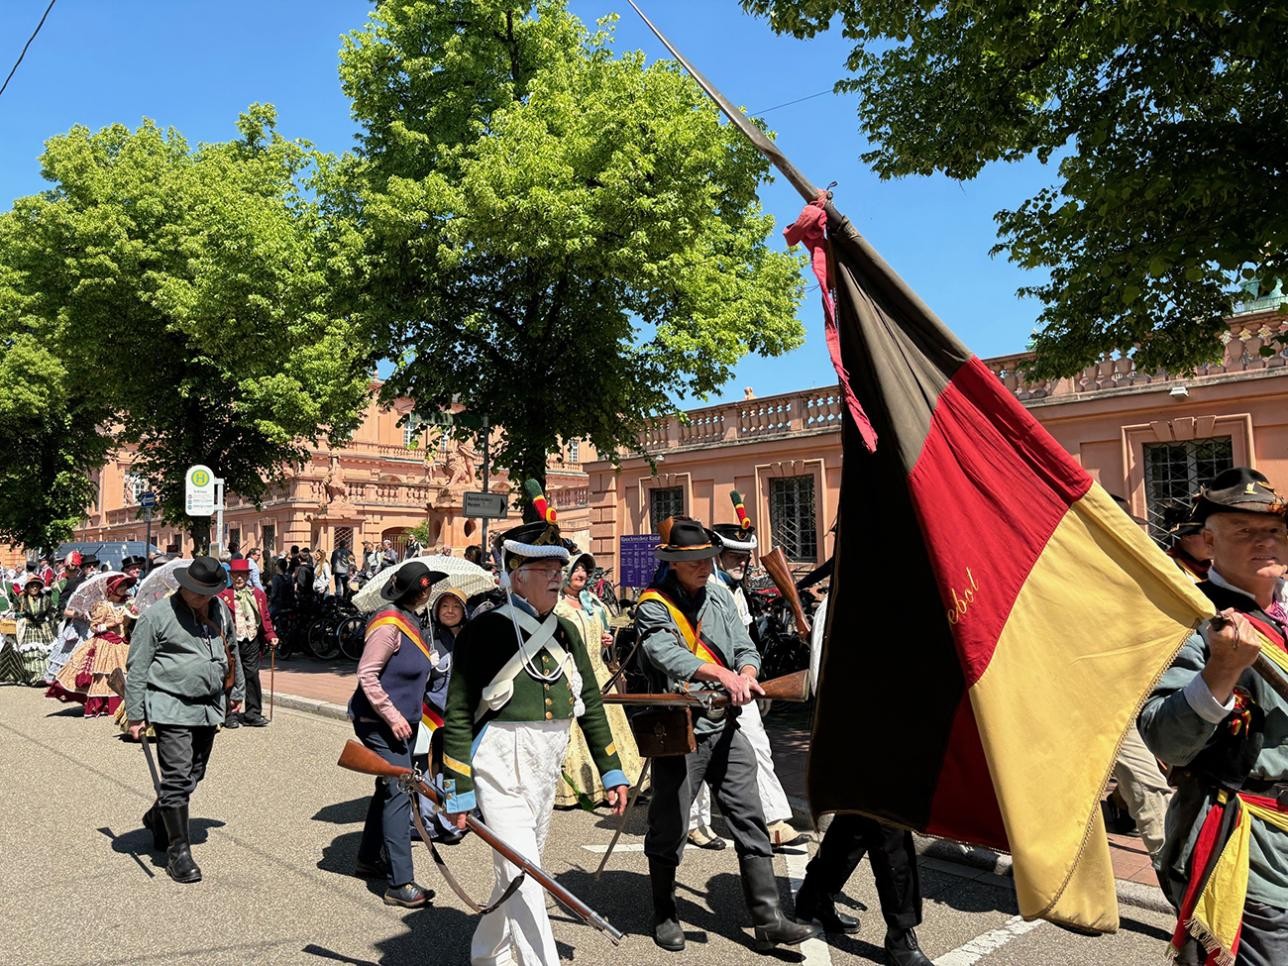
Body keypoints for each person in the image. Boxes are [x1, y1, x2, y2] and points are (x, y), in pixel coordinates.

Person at [442, 516, 630, 965]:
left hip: (547, 763)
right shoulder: (484, 630)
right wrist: (458, 789)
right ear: (517, 576)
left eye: (557, 568)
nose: (556, 577)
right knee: (528, 874)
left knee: (517, 869)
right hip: (499, 763)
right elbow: (458, 713)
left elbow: (589, 700)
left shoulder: (565, 631)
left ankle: (488, 955)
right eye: (544, 570)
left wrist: (611, 769)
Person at [635, 516, 819, 953]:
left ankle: (768, 917)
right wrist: (720, 673)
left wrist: (749, 674)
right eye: (696, 560)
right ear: (674, 563)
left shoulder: (718, 596)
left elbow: (744, 645)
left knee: (750, 817)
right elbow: (664, 651)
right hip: (682, 729)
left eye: (708, 557)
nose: (706, 565)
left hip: (727, 725)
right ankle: (664, 913)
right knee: (671, 825)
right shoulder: (652, 604)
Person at [1138, 467, 1288, 965]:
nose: (1264, 541)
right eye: (1243, 530)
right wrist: (1221, 671)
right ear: (1209, 541)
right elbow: (1164, 740)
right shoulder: (1189, 617)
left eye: (1272, 530)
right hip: (1250, 845)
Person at [125, 556, 244, 884]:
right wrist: (135, 714)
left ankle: (158, 815)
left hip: (208, 706)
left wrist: (236, 693)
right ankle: (179, 851)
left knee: (194, 773)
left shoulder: (219, 610)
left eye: (209, 593)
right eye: (198, 593)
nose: (204, 599)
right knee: (178, 778)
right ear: (184, 586)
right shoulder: (156, 616)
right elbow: (137, 668)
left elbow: (231, 649)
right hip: (169, 705)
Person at [687, 517, 803, 850]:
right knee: (696, 754)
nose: (742, 561)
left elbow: (744, 641)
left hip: (739, 682)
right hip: (705, 683)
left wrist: (750, 674)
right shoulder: (706, 591)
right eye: (733, 555)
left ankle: (774, 820)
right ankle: (695, 824)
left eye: (745, 555)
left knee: (757, 746)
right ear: (716, 555)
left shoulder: (736, 591)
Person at [349, 561, 446, 908]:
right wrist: (391, 717)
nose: (429, 591)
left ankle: (367, 857)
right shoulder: (388, 623)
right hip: (379, 721)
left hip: (401, 720)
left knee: (387, 787)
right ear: (413, 592)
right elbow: (368, 674)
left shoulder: (411, 619)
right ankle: (399, 883)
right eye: (425, 588)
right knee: (399, 790)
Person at [554, 551, 644, 808]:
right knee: (577, 733)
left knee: (609, 728)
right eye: (576, 570)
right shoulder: (557, 607)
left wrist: (606, 642)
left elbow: (605, 642)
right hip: (571, 675)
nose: (581, 574)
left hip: (599, 674)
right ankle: (578, 789)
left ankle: (617, 783)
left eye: (584, 570)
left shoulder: (593, 603)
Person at [412, 587, 469, 845]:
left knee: (455, 769)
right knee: (426, 770)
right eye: (444, 606)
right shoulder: (428, 637)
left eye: (455, 607)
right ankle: (426, 821)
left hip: (461, 716)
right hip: (431, 714)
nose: (449, 611)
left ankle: (452, 821)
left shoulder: (471, 638)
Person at [47, 573, 137, 716]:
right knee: (105, 675)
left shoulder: (129, 604)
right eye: (120, 585)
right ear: (112, 588)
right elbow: (94, 627)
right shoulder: (103, 605)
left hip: (123, 643)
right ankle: (105, 706)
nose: (123, 588)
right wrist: (110, 624)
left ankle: (125, 704)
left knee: (126, 672)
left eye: (125, 585)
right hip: (106, 643)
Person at [217, 559, 276, 728]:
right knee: (231, 677)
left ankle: (253, 713)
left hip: (252, 640)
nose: (239, 578)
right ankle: (229, 714)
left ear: (248, 575)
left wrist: (270, 635)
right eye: (236, 575)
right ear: (231, 576)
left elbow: (264, 617)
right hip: (232, 643)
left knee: (252, 676)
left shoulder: (258, 594)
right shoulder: (223, 596)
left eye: (242, 575)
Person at [0, 577, 58, 686]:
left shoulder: (45, 599)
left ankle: (42, 677)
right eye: (32, 586)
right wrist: (17, 614)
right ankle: (31, 678)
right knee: (28, 654)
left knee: (43, 653)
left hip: (42, 630)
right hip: (27, 629)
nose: (34, 588)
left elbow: (52, 611)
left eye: (36, 586)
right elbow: (14, 611)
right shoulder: (21, 599)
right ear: (27, 587)